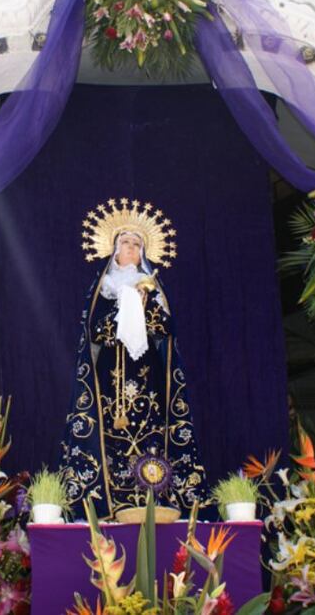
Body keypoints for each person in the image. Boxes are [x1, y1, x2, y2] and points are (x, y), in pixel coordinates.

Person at [59, 202, 207, 520]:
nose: (131, 248)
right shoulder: (104, 289)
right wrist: (123, 308)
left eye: (137, 244)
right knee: (109, 436)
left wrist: (143, 303)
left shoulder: (153, 290)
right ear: (114, 249)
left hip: (146, 376)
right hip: (109, 376)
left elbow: (166, 329)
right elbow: (94, 332)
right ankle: (108, 505)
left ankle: (150, 499)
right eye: (126, 242)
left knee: (150, 432)